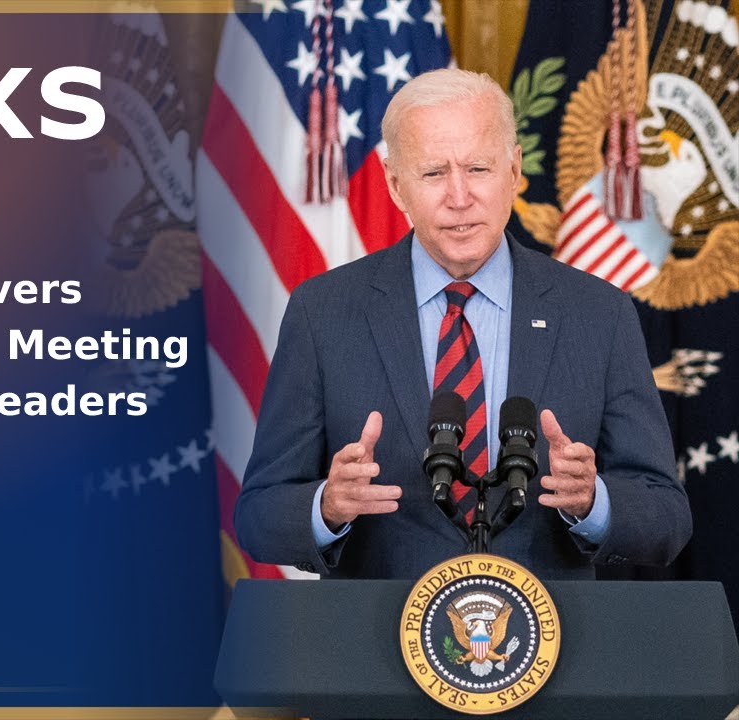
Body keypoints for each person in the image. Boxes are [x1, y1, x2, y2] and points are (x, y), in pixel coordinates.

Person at [234, 68, 691, 580]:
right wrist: (326, 507)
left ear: (514, 170)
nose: (458, 197)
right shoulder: (324, 313)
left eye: (478, 168)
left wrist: (593, 501)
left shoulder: (599, 313)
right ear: (395, 183)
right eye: (433, 173)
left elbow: (666, 517)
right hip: (375, 647)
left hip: (555, 647)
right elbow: (258, 516)